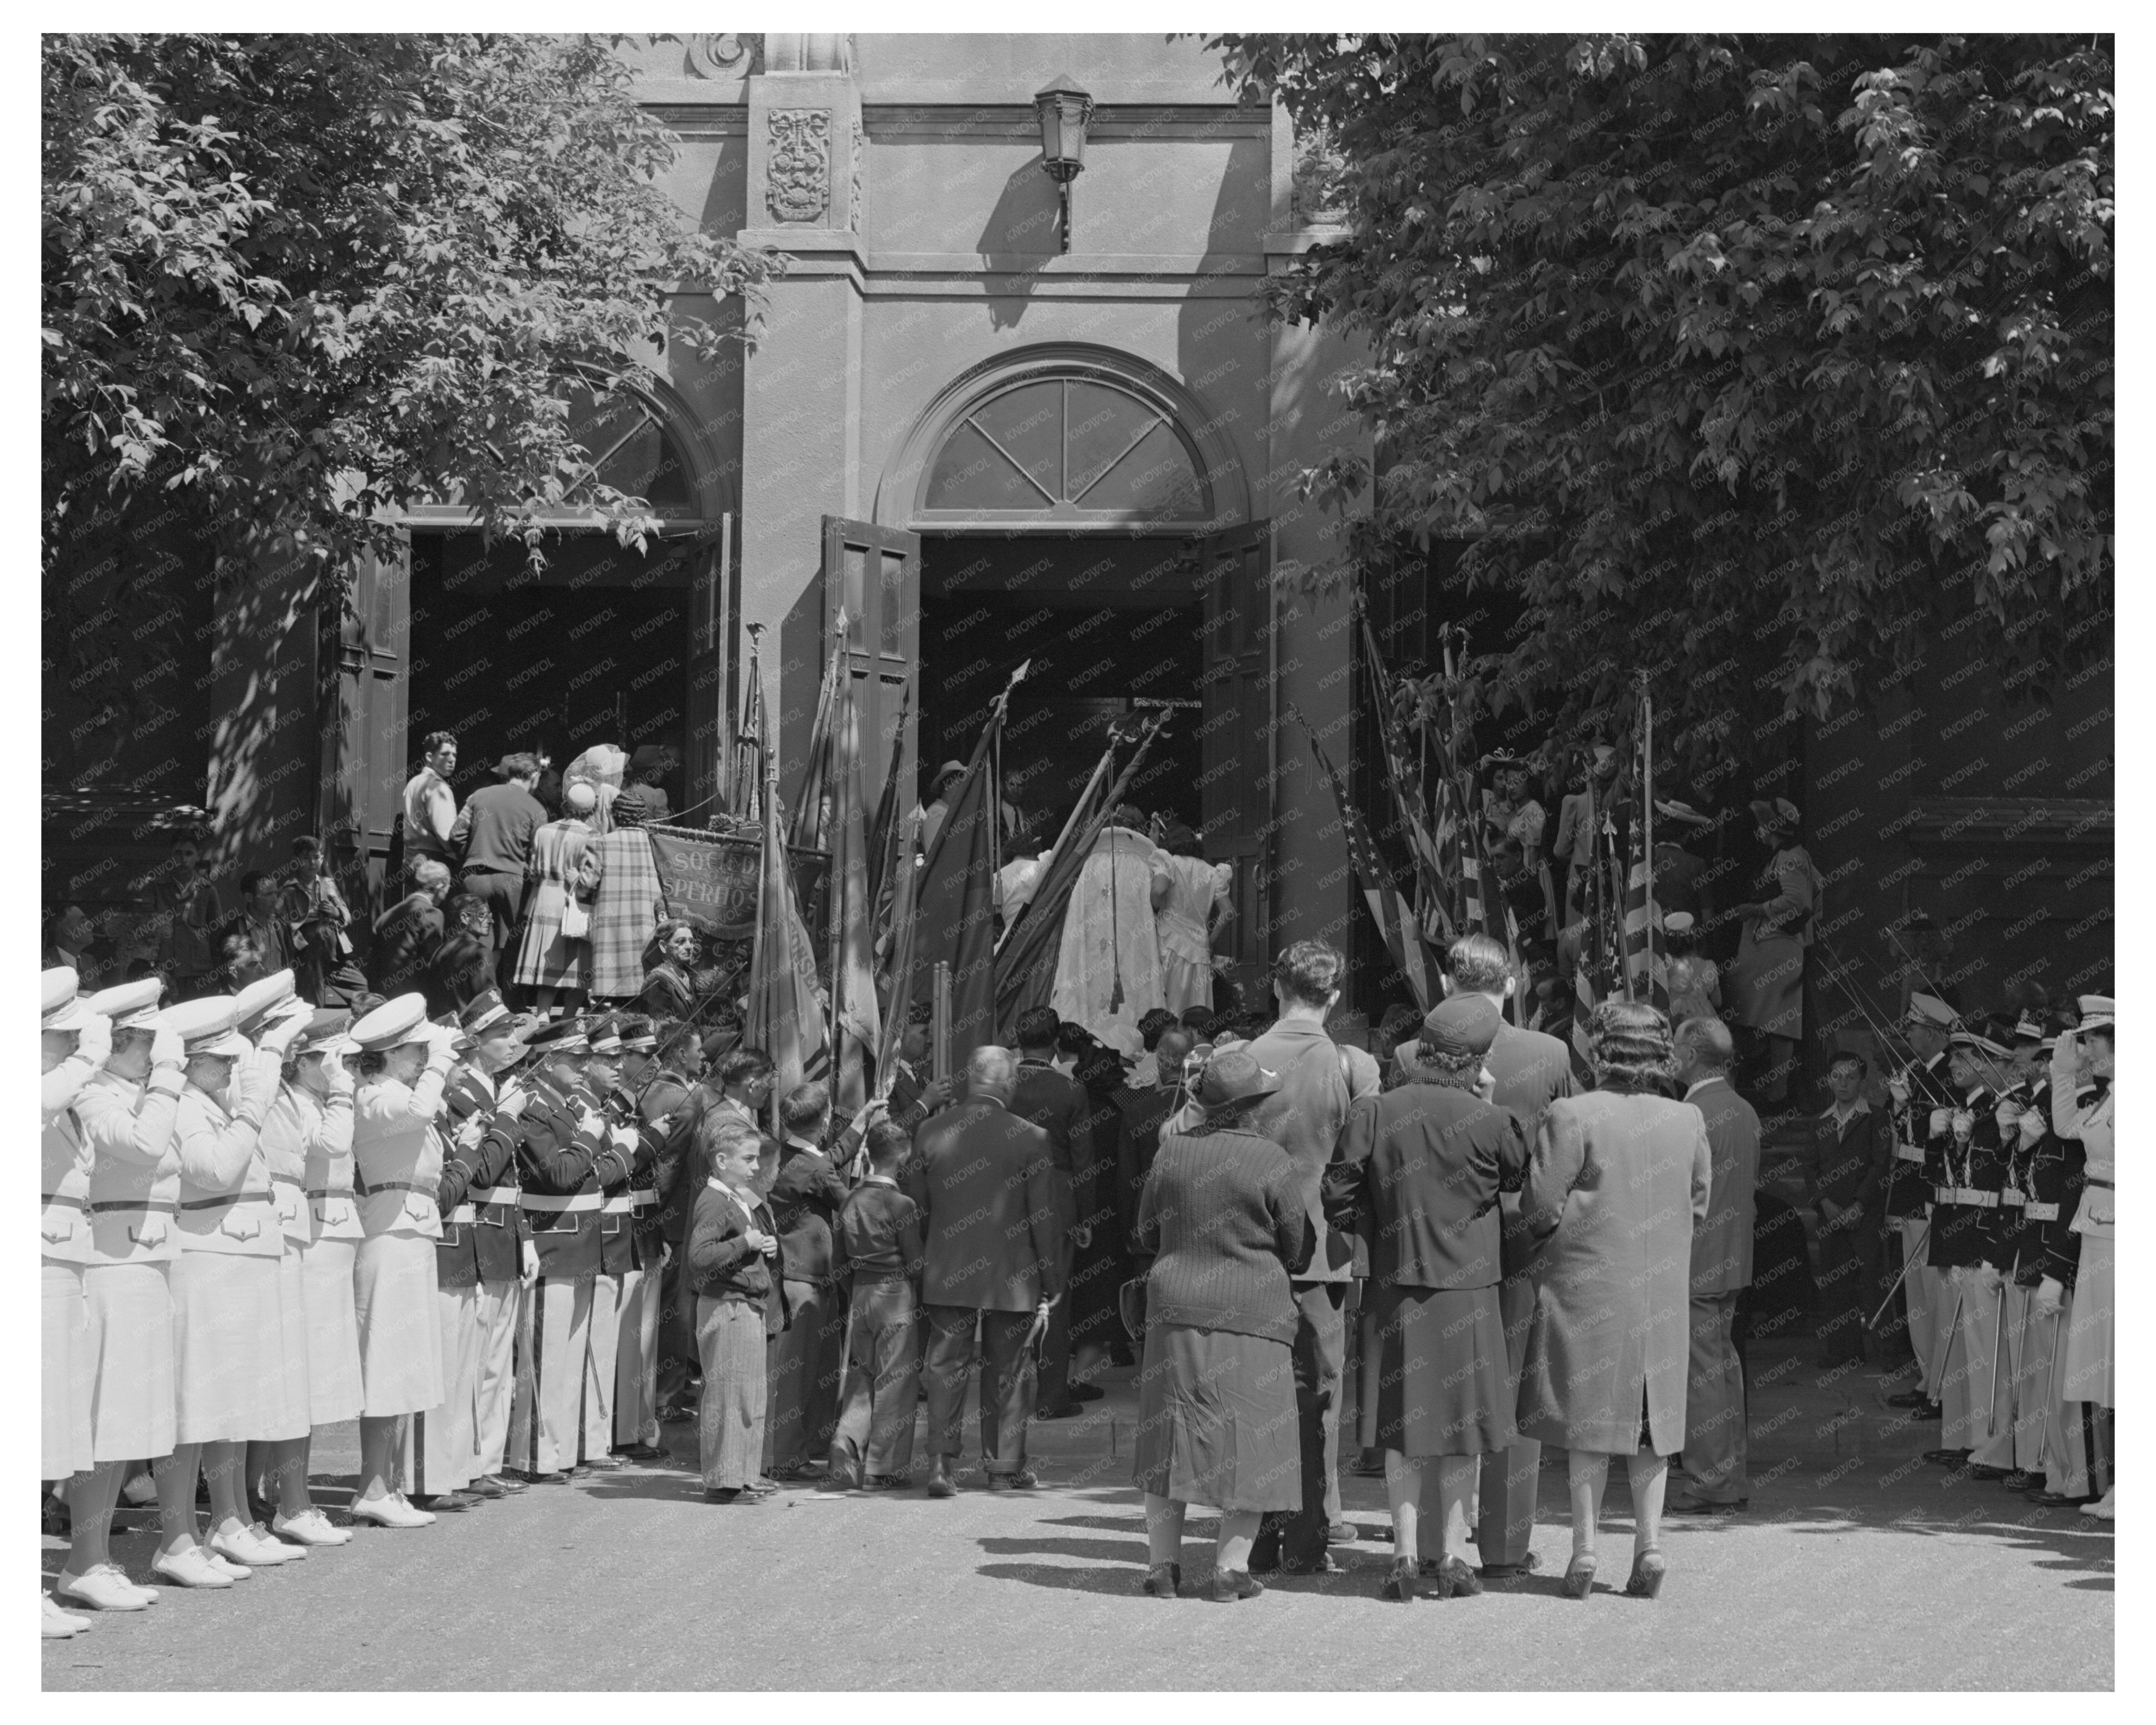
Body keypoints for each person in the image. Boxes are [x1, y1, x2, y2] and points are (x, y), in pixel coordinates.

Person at [1517, 999, 1711, 1600]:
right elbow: (1698, 1203)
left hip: (1587, 1285)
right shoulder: (1687, 1120)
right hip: (1659, 1290)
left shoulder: (1572, 1113)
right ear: (1660, 1056)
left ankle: (1584, 1549)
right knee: (1652, 1428)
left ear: (1599, 1051)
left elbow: (1539, 1206)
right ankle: (1649, 1543)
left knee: (1588, 1425)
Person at [1341, 992, 1528, 1600]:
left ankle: (1401, 1555)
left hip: (1396, 1288)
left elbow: (1336, 1192)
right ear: (1475, 1062)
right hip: (1469, 1293)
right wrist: (1488, 1104)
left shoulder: (1373, 1111)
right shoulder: (1492, 1120)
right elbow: (1516, 1179)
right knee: (1461, 1433)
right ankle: (1449, 1556)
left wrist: (1377, 1225)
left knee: (1402, 1430)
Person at [1130, 1046, 1311, 1602]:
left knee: (1170, 1438)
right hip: (1253, 1311)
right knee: (1252, 1437)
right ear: (1255, 1105)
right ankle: (1231, 1571)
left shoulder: (1172, 1152)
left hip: (1175, 1306)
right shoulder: (1271, 1161)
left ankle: (1163, 1567)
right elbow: (1297, 1245)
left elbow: (1143, 1232)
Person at [1427, 932, 1577, 1579]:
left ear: (1446, 986)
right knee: (1519, 1390)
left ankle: (1439, 1539)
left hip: (1438, 1240)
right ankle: (1507, 1543)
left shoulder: (1415, 1051)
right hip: (1524, 1235)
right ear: (1510, 983)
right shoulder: (1547, 1052)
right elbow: (1569, 1139)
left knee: (1443, 1390)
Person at [157, 992, 312, 1585]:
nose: (229, 1069)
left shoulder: (209, 1101)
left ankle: (230, 1519)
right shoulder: (187, 1106)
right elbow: (214, 1171)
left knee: (230, 1402)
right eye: (218, 1060)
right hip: (205, 1259)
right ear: (191, 1060)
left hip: (232, 1255)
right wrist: (250, 1110)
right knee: (195, 1408)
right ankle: (181, 1535)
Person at [59, 979, 185, 1613]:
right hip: (111, 1259)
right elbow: (142, 1146)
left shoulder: (137, 1092)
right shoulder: (93, 1090)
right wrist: (167, 1079)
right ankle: (83, 1559)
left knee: (127, 1417)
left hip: (146, 1259)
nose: (164, 1056)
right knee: (104, 1419)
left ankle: (95, 1559)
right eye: (154, 1045)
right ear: (125, 1041)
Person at [1241, 939, 1354, 1575]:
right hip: (1321, 1250)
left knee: (1259, 1393)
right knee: (1322, 1397)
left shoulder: (1245, 1059)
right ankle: (1318, 1522)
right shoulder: (1344, 1064)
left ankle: (1256, 1529)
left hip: (1255, 1246)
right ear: (1333, 996)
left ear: (1276, 988)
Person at [914, 1046, 1062, 1496]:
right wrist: (1053, 1278)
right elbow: (1044, 1216)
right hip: (1011, 1274)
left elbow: (917, 1210)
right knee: (1012, 1368)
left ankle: (941, 1463)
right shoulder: (1032, 1136)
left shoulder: (930, 1129)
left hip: (947, 1268)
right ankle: (1003, 1466)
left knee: (945, 1367)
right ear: (1009, 1083)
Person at [247, 999, 356, 1544]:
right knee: (295, 1378)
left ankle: (283, 1496)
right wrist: (341, 1088)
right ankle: (286, 1499)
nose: (345, 1071)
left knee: (306, 1380)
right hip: (295, 1238)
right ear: (304, 1059)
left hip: (313, 1237)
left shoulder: (301, 1098)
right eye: (332, 1060)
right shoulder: (287, 1099)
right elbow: (333, 1145)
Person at [349, 993, 458, 1528]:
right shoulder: (373, 1096)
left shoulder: (395, 1091)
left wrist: (434, 1061)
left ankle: (385, 1484)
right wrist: (440, 1061)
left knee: (406, 1363)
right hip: (389, 1230)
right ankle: (372, 1485)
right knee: (386, 1365)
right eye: (416, 1051)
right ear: (391, 1053)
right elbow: (418, 1112)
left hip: (410, 1229)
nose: (422, 1059)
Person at [42, 969, 113, 1635]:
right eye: (68, 1036)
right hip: (37, 1259)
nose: (78, 1047)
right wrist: (93, 1058)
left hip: (66, 1256)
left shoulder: (61, 1098)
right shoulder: (38, 1089)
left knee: (50, 1422)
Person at [1669, 1016, 1761, 1516]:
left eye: (1675, 1045)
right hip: (1730, 1257)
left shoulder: (1694, 1113)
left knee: (1702, 1374)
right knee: (1722, 1368)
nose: (1670, 1053)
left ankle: (1710, 1479)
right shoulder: (1741, 1108)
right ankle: (1730, 1471)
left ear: (1689, 1055)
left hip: (1695, 1261)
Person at [1920, 1027, 2011, 1470]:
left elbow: (1993, 1182)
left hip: (1980, 1237)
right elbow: (1937, 1179)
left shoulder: (1998, 1114)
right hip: (1952, 1235)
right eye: (1953, 1055)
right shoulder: (1960, 1110)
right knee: (1953, 1345)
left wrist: (1960, 1140)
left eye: (1965, 1056)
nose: (1953, 1063)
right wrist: (1937, 1139)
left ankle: (1990, 1445)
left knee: (1982, 1350)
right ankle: (1960, 1436)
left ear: (1989, 1062)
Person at [687, 1114, 786, 1503]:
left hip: (746, 1305)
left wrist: (766, 1248)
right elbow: (698, 1255)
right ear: (722, 1160)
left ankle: (743, 1473)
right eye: (748, 1158)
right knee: (729, 1395)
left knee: (748, 1395)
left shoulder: (736, 1197)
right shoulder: (714, 1199)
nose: (756, 1166)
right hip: (727, 1306)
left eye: (757, 1158)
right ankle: (724, 1481)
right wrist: (745, 1243)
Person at [826, 1119, 926, 1490]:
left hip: (861, 1294)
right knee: (896, 1381)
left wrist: (853, 1290)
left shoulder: (850, 1200)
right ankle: (884, 1467)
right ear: (904, 1156)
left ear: (867, 1154)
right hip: (895, 1293)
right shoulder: (902, 1204)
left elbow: (838, 1260)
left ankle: (846, 1440)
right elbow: (916, 1262)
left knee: (862, 1377)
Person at [1008, 1006, 1096, 1419]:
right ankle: (1051, 1396)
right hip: (1058, 1196)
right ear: (1057, 1041)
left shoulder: (1003, 1087)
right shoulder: (1071, 1090)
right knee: (1056, 1296)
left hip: (1005, 1197)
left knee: (1009, 1294)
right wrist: (1086, 1217)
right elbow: (1084, 1161)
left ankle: (1008, 1394)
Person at [2048, 1001, 2113, 1519]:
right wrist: (2060, 1073)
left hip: (2120, 1231)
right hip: (2097, 1228)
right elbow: (2067, 1127)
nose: (2084, 1049)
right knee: (2102, 1360)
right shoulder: (2109, 1098)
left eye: (2091, 1040)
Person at [766, 1082, 850, 1479]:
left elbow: (823, 1159)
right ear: (826, 1118)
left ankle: (810, 1442)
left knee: (816, 1369)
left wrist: (861, 1124)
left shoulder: (782, 1153)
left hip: (800, 1274)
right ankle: (787, 1455)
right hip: (807, 1278)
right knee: (798, 1374)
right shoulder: (815, 1168)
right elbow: (847, 1200)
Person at [1882, 992, 1959, 1415]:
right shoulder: (1915, 1069)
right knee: (1917, 1296)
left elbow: (1938, 1130)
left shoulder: (1950, 1072)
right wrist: (1899, 1104)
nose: (1908, 1033)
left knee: (1936, 1294)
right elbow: (1899, 1128)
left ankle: (1944, 1385)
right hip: (1912, 1188)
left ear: (1932, 1031)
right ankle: (1927, 1376)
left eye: (1913, 1027)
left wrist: (1906, 1107)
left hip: (1934, 1189)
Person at [1725, 796, 1822, 1106]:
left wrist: (1758, 909)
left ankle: (1773, 1093)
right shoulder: (1792, 855)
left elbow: (1798, 901)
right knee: (1770, 1022)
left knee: (1775, 1024)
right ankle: (1769, 1091)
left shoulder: (1790, 857)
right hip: (1772, 950)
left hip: (1775, 951)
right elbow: (1819, 891)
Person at [1049, 804, 1172, 1042]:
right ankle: (1133, 1039)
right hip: (1132, 938)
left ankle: (1085, 1037)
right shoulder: (1143, 864)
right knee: (1133, 967)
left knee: (1089, 969)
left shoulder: (1089, 863)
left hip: (1092, 938)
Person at [1810, 1050, 1889, 1367]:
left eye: (1851, 1077)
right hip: (1830, 1216)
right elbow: (1810, 1169)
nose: (1843, 1083)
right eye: (1837, 1076)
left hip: (1864, 1216)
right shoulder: (1821, 1122)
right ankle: (1844, 1351)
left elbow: (1880, 1165)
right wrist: (1825, 1203)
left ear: (1862, 1081)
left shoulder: (1876, 1116)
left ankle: (1888, 1351)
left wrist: (1859, 1205)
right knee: (1836, 1285)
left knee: (1874, 1283)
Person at [450, 752, 548, 989]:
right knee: (511, 942)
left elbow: (456, 835)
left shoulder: (479, 796)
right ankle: (504, 996)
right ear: (534, 775)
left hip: (474, 876)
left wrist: (475, 851)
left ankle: (471, 990)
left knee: (473, 937)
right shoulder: (538, 809)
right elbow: (538, 855)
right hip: (513, 880)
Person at [515, 781, 603, 1013]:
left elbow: (533, 873)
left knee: (547, 968)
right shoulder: (593, 836)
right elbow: (588, 884)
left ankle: (542, 1016)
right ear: (592, 810)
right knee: (580, 968)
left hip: (543, 900)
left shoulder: (543, 831)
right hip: (573, 904)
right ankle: (568, 1018)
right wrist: (576, 879)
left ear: (565, 804)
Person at [589, 793, 665, 1001]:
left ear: (615, 815)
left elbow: (590, 882)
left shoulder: (601, 842)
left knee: (613, 977)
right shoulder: (657, 844)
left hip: (612, 920)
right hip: (647, 917)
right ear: (643, 816)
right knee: (646, 965)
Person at [1151, 820, 1231, 1017]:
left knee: (1168, 1008)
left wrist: (1155, 907)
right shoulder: (1213, 872)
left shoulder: (1168, 862)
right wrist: (1211, 941)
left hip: (1170, 944)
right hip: (1200, 948)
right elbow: (1228, 912)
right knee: (1196, 1011)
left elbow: (1159, 891)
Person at [281, 837, 362, 1007]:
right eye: (306, 858)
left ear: (322, 858)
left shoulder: (328, 884)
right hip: (310, 952)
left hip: (335, 948)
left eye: (316, 857)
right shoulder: (289, 890)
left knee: (360, 986)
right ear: (297, 861)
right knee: (314, 998)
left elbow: (347, 915)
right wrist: (302, 946)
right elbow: (283, 925)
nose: (312, 863)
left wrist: (336, 912)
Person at [147, 836, 223, 999]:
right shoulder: (157, 889)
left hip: (199, 972)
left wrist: (217, 973)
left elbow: (217, 935)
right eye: (178, 854)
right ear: (170, 856)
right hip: (165, 970)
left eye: (189, 854)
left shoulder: (207, 891)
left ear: (198, 856)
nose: (183, 859)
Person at [373, 857, 451, 998]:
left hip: (382, 998)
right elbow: (432, 965)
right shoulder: (433, 914)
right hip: (412, 999)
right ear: (441, 885)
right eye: (448, 887)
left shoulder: (385, 916)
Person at [403, 731, 460, 877]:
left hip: (412, 859)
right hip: (434, 864)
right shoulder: (438, 787)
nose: (452, 759)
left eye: (454, 754)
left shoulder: (414, 783)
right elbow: (445, 835)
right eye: (445, 754)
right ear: (429, 757)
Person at [1650, 797, 1715, 923]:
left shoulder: (1645, 858)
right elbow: (1708, 918)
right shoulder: (1697, 865)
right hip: (1686, 939)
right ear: (1687, 834)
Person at [430, 891, 497, 1014]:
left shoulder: (439, 952)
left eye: (490, 915)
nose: (491, 921)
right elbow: (490, 1002)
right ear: (465, 918)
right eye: (483, 915)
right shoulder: (480, 952)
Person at [1662, 912, 1721, 1025]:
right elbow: (1717, 1002)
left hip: (1677, 1017)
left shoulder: (1668, 963)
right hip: (1705, 1019)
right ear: (1694, 940)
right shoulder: (1709, 965)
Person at [638, 919, 701, 1019]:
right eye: (681, 942)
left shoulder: (686, 976)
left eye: (691, 941)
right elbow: (662, 1029)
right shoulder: (657, 980)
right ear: (663, 946)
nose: (689, 947)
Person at [918, 760, 967, 859]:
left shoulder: (951, 811)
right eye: (959, 784)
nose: (962, 790)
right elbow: (937, 856)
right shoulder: (936, 813)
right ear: (947, 785)